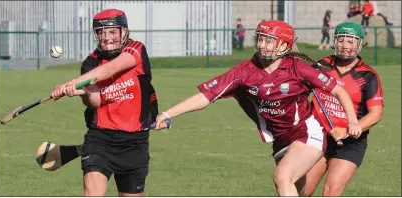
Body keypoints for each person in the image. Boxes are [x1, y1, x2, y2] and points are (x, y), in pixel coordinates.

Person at [154, 20, 361, 196]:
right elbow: (206, 96)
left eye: (269, 41)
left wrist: (352, 120)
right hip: (280, 140)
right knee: (298, 191)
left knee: (282, 177)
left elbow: (338, 91)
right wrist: (168, 113)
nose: (262, 45)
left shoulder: (297, 67)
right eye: (260, 39)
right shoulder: (244, 71)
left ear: (283, 46)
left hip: (307, 133)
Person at [51, 8, 158, 197]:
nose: (106, 37)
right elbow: (96, 101)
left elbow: (113, 68)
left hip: (135, 143)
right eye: (101, 32)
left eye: (112, 31)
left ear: (124, 32)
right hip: (101, 139)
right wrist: (81, 90)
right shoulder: (91, 63)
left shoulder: (136, 49)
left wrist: (74, 82)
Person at [304, 22, 384, 196]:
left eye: (351, 41)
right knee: (301, 190)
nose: (345, 46)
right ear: (335, 41)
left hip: (350, 143)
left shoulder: (368, 76)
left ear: (360, 44)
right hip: (318, 137)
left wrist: (350, 129)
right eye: (341, 40)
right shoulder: (322, 65)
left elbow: (376, 113)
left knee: (330, 192)